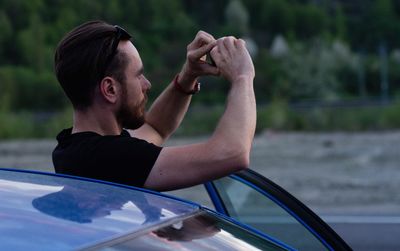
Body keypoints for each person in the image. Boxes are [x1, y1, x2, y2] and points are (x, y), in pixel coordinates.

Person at [53, 20, 256, 191]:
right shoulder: (106, 158)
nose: (147, 84)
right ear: (110, 89)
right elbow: (231, 153)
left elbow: (155, 128)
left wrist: (189, 75)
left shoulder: (74, 150)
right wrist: (243, 77)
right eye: (138, 75)